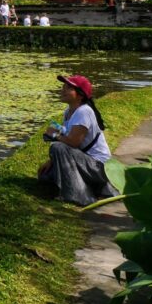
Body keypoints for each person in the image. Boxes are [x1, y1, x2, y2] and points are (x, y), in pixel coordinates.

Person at [37, 75, 114, 206]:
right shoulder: (69, 111)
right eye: (63, 87)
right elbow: (68, 137)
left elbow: (74, 142)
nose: (63, 90)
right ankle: (96, 188)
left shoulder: (84, 111)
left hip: (99, 167)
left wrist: (54, 135)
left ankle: (80, 196)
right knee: (46, 175)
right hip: (85, 161)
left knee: (57, 147)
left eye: (68, 88)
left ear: (80, 95)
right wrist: (51, 161)